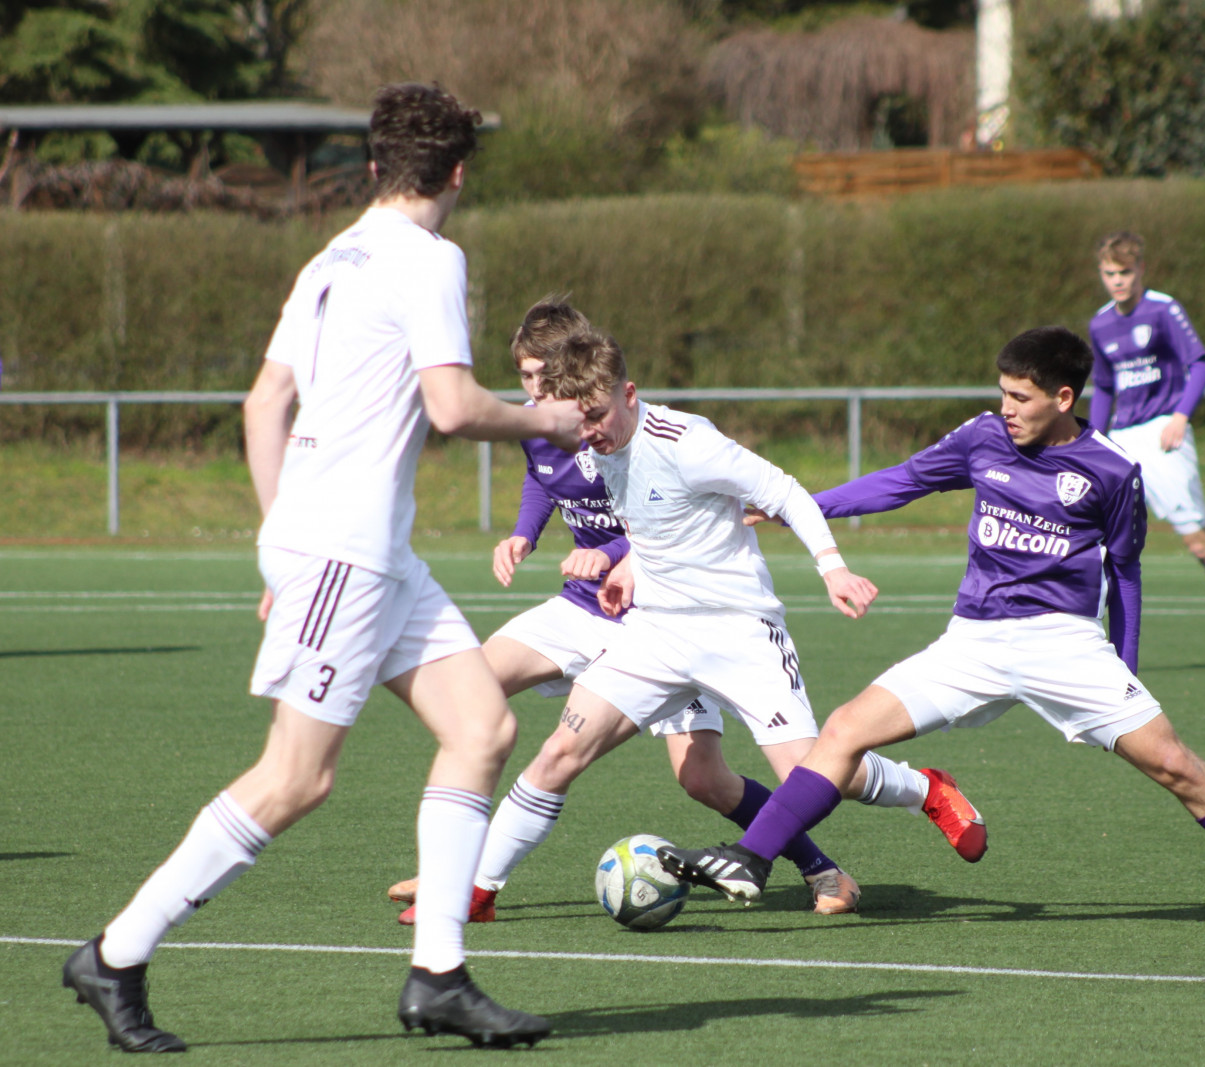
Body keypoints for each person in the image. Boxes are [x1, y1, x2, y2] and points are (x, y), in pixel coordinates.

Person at [61, 83, 582, 1053]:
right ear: (459, 173)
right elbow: (457, 406)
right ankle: (116, 953)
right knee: (295, 779)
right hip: (345, 549)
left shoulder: (329, 257)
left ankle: (438, 975)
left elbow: (265, 403)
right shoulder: (430, 258)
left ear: (377, 163)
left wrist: (278, 537)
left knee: (483, 723)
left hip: (359, 550)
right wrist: (549, 418)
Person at [659, 326, 1205, 933]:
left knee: (1176, 764)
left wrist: (1128, 664)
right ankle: (752, 856)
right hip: (973, 640)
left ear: (1064, 398)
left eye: (1021, 397)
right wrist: (804, 508)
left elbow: (1127, 575)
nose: (1007, 409)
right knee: (843, 730)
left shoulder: (1113, 473)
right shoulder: (982, 436)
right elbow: (903, 480)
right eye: (1003, 393)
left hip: (1064, 643)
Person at [384, 298, 876, 920]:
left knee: (710, 780)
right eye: (527, 379)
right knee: (476, 699)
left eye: (544, 379)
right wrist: (525, 534)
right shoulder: (556, 423)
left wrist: (619, 557)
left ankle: (837, 852)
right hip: (595, 613)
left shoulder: (642, 433)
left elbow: (665, 515)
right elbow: (546, 477)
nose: (537, 397)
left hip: (673, 612)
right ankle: (465, 877)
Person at [476, 325, 988, 894]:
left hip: (738, 630)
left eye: (595, 415)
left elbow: (787, 492)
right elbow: (659, 525)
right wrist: (631, 567)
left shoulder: (688, 442)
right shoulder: (596, 443)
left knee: (810, 773)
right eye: (578, 419)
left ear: (629, 393)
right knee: (561, 750)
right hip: (655, 632)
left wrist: (832, 567)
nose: (588, 433)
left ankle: (924, 789)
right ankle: (476, 893)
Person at [1088, 232, 1205, 671]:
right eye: (1110, 273)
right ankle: (1097, 649)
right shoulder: (1100, 323)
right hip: (1122, 440)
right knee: (1101, 544)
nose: (1117, 281)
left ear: (1141, 270)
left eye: (1125, 272)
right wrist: (1093, 439)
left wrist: (1181, 417)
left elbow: (1199, 365)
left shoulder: (1163, 310)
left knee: (1198, 543)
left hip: (1164, 434)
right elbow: (1105, 387)